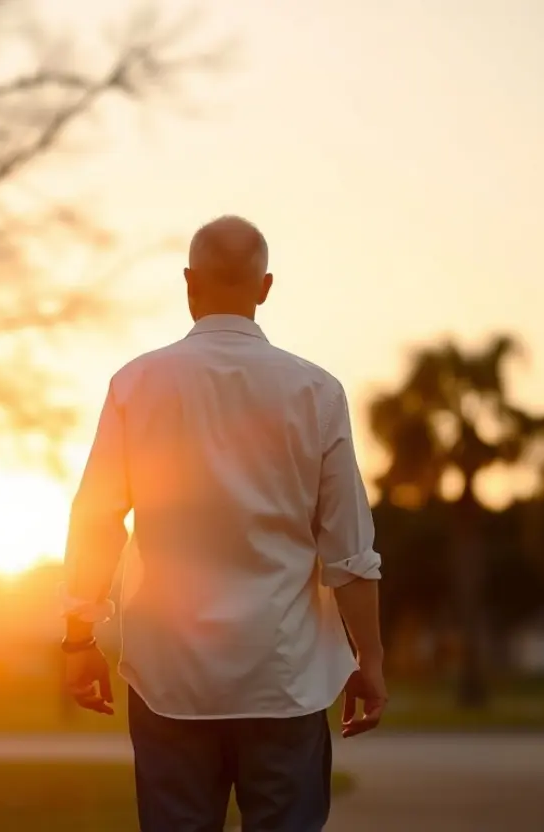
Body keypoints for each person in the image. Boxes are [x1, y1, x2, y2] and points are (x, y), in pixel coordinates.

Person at [61, 216, 388, 832]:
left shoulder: (136, 384)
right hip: (284, 676)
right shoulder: (316, 391)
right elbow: (349, 548)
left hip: (170, 678)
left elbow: (97, 519)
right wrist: (367, 657)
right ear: (265, 287)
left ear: (188, 282)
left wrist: (78, 639)